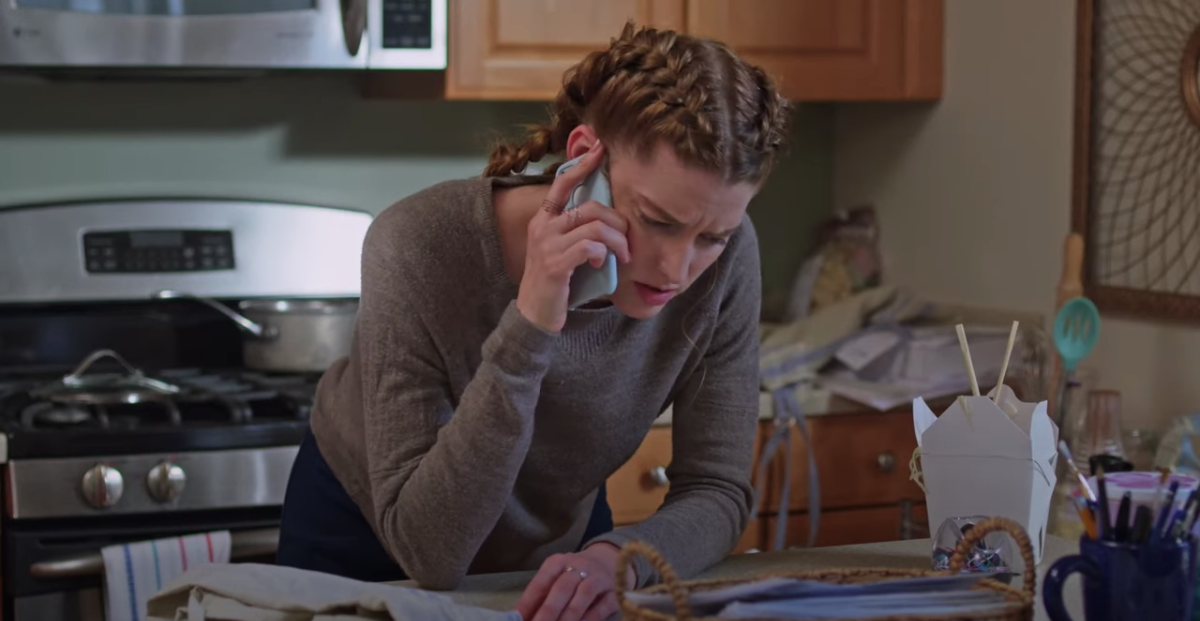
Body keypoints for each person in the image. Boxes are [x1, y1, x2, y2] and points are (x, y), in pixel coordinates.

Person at [276, 20, 791, 621]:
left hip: (565, 543)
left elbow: (718, 489)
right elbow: (433, 554)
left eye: (713, 236)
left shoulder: (728, 257)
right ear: (584, 158)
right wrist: (533, 319)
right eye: (656, 220)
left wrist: (615, 559)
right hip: (368, 536)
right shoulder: (418, 244)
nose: (678, 270)